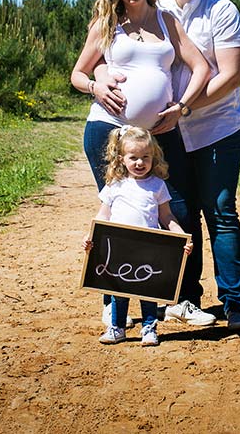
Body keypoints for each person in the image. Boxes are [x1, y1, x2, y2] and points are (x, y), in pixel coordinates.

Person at [97, 0, 240, 330]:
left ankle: (235, 303)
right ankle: (184, 299)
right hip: (170, 135)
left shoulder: (222, 10)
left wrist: (183, 108)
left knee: (220, 211)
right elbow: (108, 52)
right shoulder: (157, 7)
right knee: (180, 213)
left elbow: (230, 75)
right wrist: (99, 76)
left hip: (216, 128)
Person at [70, 0, 211, 328]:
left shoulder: (167, 22)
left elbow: (202, 67)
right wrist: (96, 86)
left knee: (178, 209)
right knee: (119, 215)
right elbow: (77, 74)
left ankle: (179, 299)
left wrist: (181, 106)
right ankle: (111, 302)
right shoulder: (106, 24)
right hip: (108, 131)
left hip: (160, 136)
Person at [82, 126, 193, 346]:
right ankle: (117, 328)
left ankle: (149, 329)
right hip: (119, 248)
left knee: (148, 289)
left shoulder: (157, 186)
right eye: (134, 158)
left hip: (149, 248)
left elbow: (167, 217)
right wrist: (90, 236)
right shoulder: (115, 185)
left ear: (154, 158)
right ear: (122, 159)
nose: (140, 163)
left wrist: (181, 237)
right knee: (118, 290)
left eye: (146, 157)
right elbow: (103, 215)